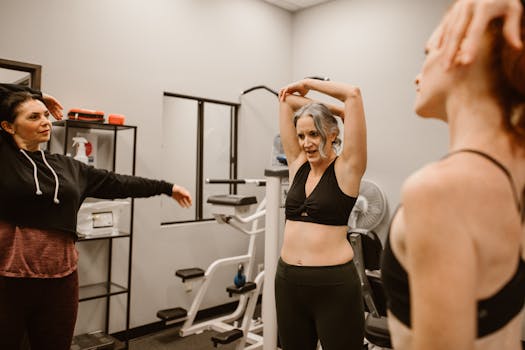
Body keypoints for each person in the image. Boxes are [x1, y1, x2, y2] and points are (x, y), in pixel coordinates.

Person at [0, 85, 192, 350]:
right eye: (33, 117)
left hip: (61, 281)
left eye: (45, 115)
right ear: (9, 127)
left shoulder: (67, 166)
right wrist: (38, 94)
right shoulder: (4, 157)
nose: (45, 121)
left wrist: (166, 187)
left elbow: (118, 182)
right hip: (9, 281)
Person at [381, 6, 525, 350]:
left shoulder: (438, 191)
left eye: (427, 54)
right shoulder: (515, 172)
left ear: (464, 52)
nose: (418, 75)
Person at [276, 78, 367, 350]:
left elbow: (353, 94)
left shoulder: (347, 168)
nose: (305, 143)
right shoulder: (298, 165)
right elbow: (286, 101)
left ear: (332, 134)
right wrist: (334, 112)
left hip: (334, 286)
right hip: (288, 282)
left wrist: (307, 84)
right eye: (302, 135)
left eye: (314, 134)